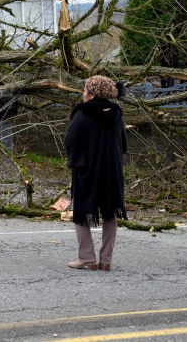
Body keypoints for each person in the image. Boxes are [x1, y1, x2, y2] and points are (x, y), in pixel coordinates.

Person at [64, 75, 127, 271]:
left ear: (92, 95)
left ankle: (87, 257)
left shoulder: (82, 114)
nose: (82, 94)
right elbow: (123, 144)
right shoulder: (118, 115)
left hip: (87, 170)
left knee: (81, 212)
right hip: (112, 171)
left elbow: (70, 141)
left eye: (85, 90)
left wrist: (77, 161)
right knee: (110, 213)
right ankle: (106, 260)